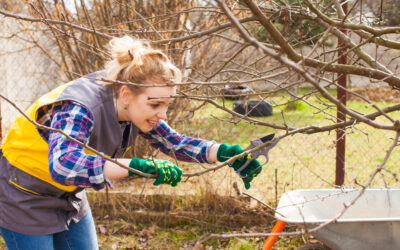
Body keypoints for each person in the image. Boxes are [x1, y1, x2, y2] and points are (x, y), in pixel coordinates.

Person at [0, 36, 263, 249]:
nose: (163, 114)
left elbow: (175, 142)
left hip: (68, 195)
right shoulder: (78, 108)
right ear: (126, 94)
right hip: (23, 194)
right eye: (156, 104)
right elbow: (64, 166)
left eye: (167, 104)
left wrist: (228, 154)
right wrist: (137, 166)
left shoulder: (133, 106)